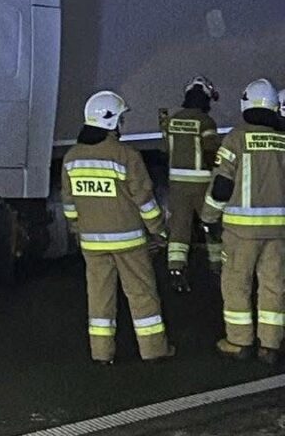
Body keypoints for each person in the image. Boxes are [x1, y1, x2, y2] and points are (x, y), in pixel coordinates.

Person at [62, 90, 174, 364]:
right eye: (121, 120)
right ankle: (154, 350)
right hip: (129, 243)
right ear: (111, 122)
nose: (122, 125)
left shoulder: (71, 158)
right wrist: (159, 230)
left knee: (99, 300)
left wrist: (78, 231)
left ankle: (101, 354)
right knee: (142, 296)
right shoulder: (127, 156)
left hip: (92, 244)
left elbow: (69, 204)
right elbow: (145, 200)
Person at [201, 78, 285, 365]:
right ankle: (270, 345)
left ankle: (239, 342)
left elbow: (222, 185)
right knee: (273, 285)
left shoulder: (236, 137)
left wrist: (209, 217)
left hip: (241, 232)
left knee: (237, 284)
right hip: (277, 232)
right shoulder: (282, 140)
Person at [164, 76, 221, 292]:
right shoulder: (205, 122)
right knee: (211, 225)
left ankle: (176, 269)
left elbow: (166, 149)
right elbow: (210, 151)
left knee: (179, 228)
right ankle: (217, 267)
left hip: (177, 184)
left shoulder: (172, 121)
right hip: (202, 184)